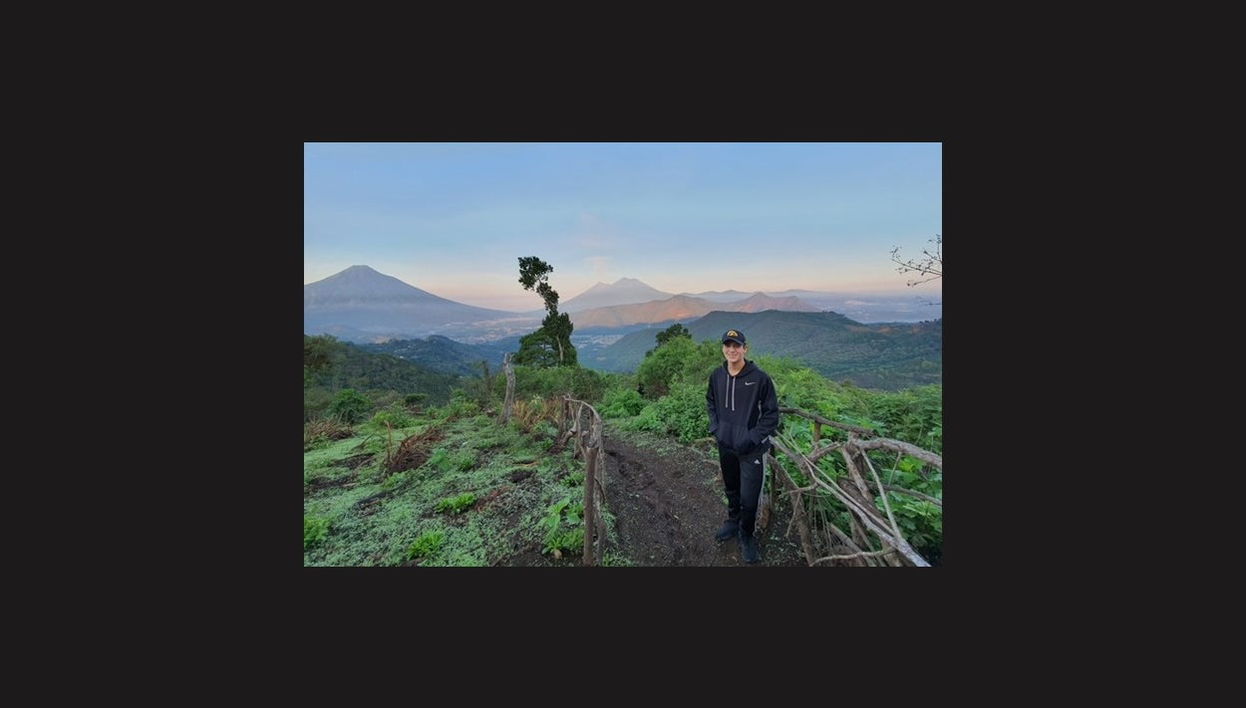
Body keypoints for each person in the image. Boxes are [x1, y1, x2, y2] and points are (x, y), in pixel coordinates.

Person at [706, 328, 779, 564]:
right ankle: (732, 521)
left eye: (737, 345)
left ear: (745, 349)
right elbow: (711, 402)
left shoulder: (759, 378)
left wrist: (751, 437)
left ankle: (747, 535)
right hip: (726, 445)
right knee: (731, 488)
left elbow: (771, 415)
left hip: (751, 451)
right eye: (728, 345)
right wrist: (716, 428)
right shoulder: (717, 375)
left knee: (750, 497)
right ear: (723, 349)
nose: (732, 349)